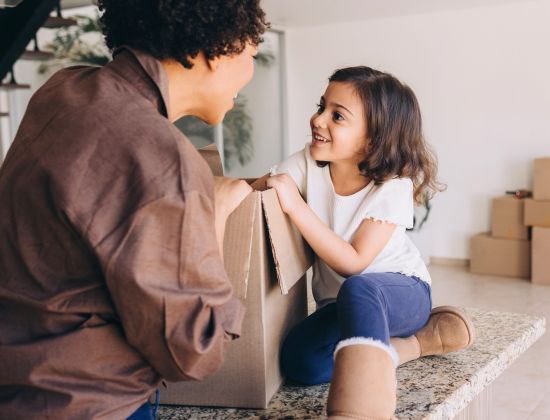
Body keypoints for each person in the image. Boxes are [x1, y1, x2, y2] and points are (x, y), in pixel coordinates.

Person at [0, 1, 267, 419]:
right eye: (251, 55)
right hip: (89, 404)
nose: (250, 73)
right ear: (220, 48)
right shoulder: (164, 159)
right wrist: (214, 212)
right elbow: (193, 352)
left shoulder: (63, 89)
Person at [262, 66, 475, 419]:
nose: (318, 120)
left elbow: (353, 262)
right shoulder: (308, 162)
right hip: (341, 306)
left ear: (372, 139)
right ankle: (413, 345)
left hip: (401, 293)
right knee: (299, 362)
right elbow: (266, 189)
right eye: (321, 106)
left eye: (337, 116)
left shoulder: (393, 187)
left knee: (359, 287)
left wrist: (295, 204)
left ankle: (361, 412)